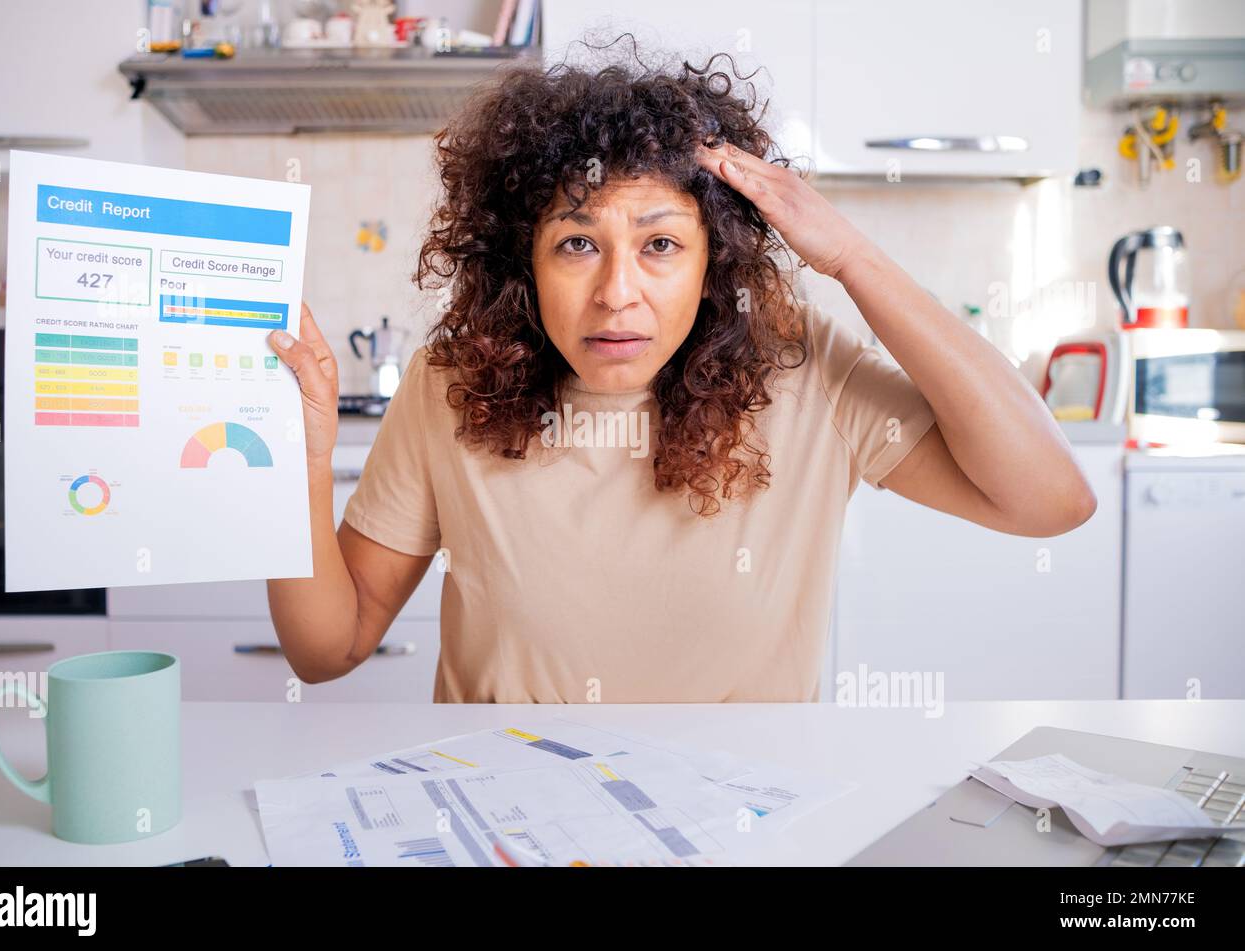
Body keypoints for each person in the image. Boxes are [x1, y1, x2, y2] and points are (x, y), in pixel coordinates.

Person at [265, 49, 1095, 703]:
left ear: (712, 262)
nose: (617, 292)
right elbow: (326, 650)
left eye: (660, 244)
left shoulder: (804, 373)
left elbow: (1052, 500)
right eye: (578, 243)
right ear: (523, 259)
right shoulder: (450, 385)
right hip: (508, 819)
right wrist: (302, 460)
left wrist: (853, 258)